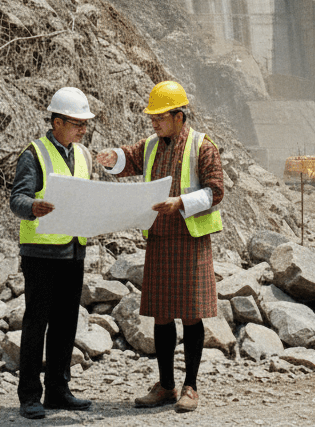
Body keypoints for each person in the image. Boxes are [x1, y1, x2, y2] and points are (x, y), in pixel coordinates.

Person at [94, 80, 224, 414]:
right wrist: (113, 159)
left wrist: (180, 202)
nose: (154, 123)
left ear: (180, 116)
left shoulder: (202, 147)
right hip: (160, 239)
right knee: (163, 316)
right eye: (152, 118)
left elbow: (216, 192)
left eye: (160, 117)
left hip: (190, 240)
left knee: (192, 316)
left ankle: (190, 386)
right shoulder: (152, 145)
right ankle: (166, 385)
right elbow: (130, 159)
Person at [9, 86, 96, 420]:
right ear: (57, 122)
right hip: (41, 253)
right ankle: (30, 395)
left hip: (73, 251)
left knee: (65, 324)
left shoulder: (84, 155)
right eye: (77, 123)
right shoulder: (34, 154)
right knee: (37, 324)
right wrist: (34, 207)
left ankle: (59, 391)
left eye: (85, 124)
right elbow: (17, 200)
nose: (83, 129)